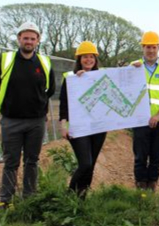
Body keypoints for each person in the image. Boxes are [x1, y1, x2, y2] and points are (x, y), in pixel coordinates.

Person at [0, 23, 56, 208]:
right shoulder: (5, 60)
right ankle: (5, 200)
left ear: (38, 41)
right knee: (11, 161)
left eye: (33, 38)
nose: (29, 41)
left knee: (32, 161)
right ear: (19, 39)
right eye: (26, 38)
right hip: (11, 120)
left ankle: (29, 198)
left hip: (36, 122)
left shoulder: (44, 63)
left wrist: (38, 106)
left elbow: (50, 90)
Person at [59, 41, 107, 198]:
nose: (88, 60)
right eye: (84, 57)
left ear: (95, 59)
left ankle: (81, 199)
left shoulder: (102, 78)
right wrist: (63, 126)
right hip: (79, 128)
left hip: (98, 127)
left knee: (91, 165)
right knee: (85, 163)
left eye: (91, 57)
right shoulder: (70, 79)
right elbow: (64, 105)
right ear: (79, 59)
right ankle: (70, 195)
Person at [131, 32, 159, 192]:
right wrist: (129, 69)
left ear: (158, 48)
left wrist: (158, 115)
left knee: (156, 156)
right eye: (148, 47)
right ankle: (141, 185)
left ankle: (152, 185)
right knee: (140, 156)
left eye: (153, 47)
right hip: (140, 120)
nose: (151, 50)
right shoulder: (134, 67)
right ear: (143, 48)